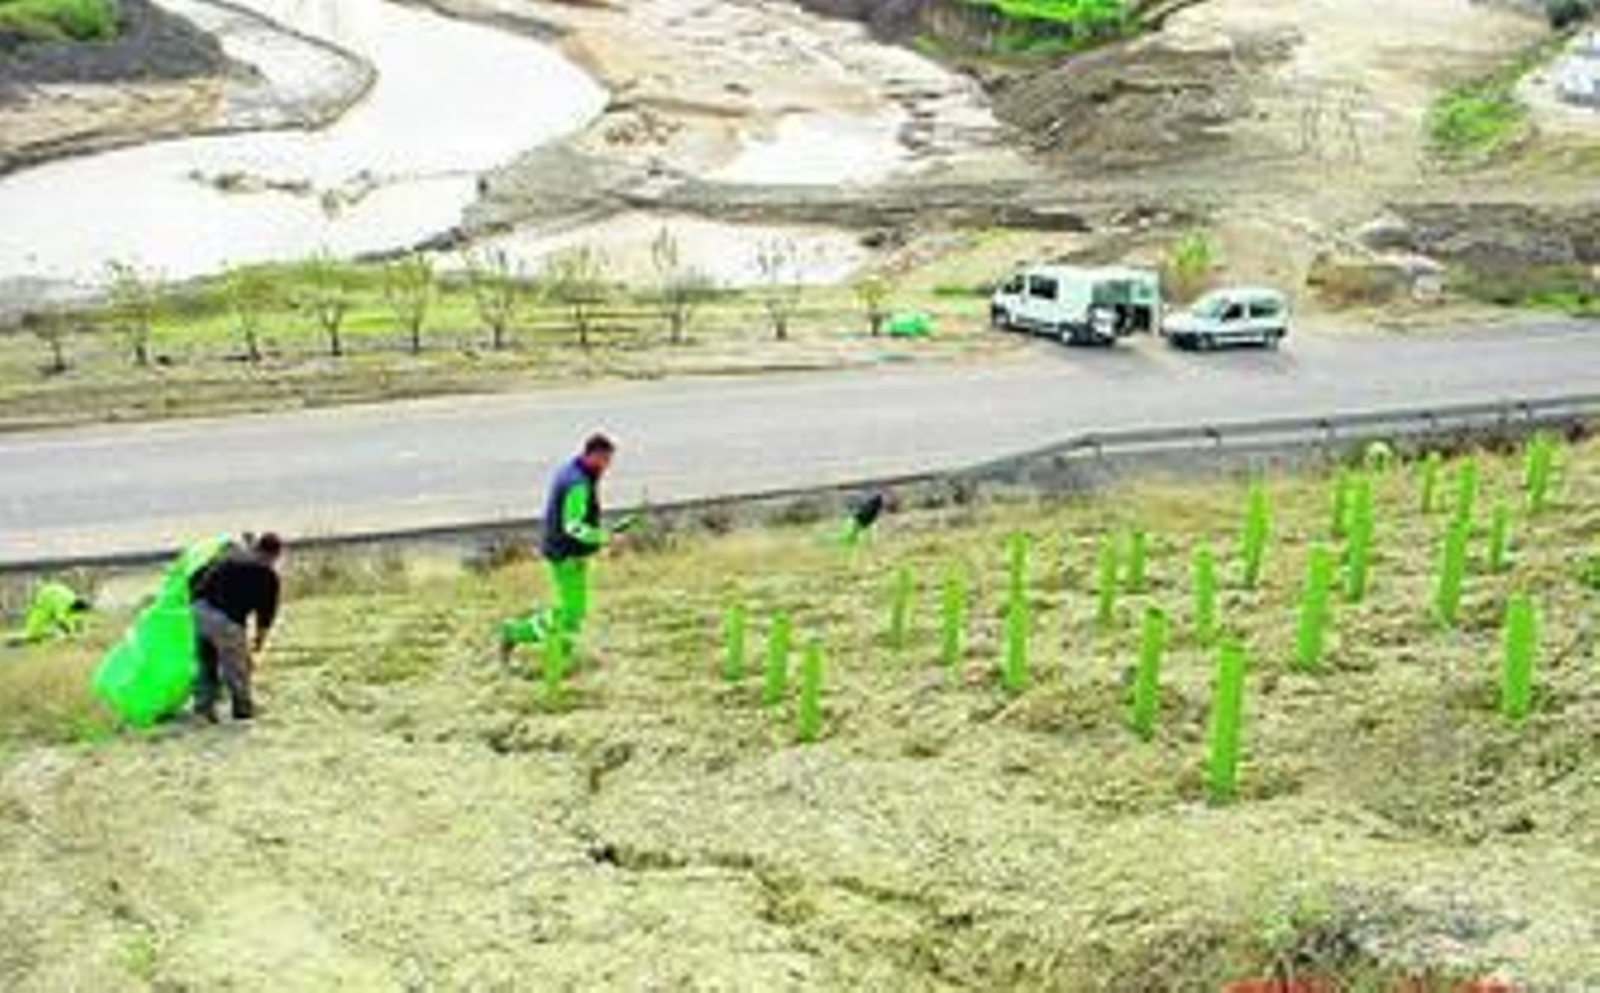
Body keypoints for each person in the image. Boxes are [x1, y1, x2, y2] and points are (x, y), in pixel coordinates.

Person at [502, 434, 620, 663]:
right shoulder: (578, 484)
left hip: (563, 550)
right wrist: (604, 538)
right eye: (606, 460)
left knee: (574, 610)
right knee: (571, 612)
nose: (608, 466)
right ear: (594, 455)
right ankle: (515, 632)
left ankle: (562, 654)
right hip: (567, 554)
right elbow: (573, 526)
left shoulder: (572, 471)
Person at [190, 532, 283, 722]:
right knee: (238, 668)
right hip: (225, 621)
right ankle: (242, 709)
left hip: (199, 610)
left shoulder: (231, 558)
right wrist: (259, 641)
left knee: (207, 662)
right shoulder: (268, 577)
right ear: (274, 555)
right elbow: (265, 616)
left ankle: (204, 708)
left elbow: (198, 579)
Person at [13, 581, 91, 644]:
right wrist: (69, 633)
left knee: (55, 625)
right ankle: (23, 639)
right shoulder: (63, 603)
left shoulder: (74, 601)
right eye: (81, 610)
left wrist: (76, 630)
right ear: (77, 606)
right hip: (45, 598)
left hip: (52, 596)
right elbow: (60, 620)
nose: (80, 613)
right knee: (34, 628)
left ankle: (40, 635)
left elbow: (75, 619)